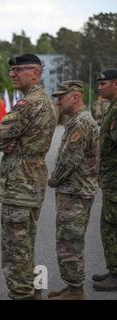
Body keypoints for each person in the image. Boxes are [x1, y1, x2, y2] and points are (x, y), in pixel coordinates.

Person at [0, 53, 57, 300]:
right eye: (12, 70)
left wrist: (8, 141)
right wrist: (11, 140)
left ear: (36, 73)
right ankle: (30, 292)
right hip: (32, 182)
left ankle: (23, 295)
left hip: (20, 184)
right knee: (26, 244)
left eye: (19, 70)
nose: (12, 74)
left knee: (15, 249)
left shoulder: (28, 104)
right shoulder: (46, 102)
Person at [47, 81, 99, 300]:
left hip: (76, 192)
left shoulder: (81, 122)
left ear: (76, 97)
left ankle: (76, 291)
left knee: (70, 241)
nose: (58, 101)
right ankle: (72, 286)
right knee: (69, 239)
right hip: (74, 191)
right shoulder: (78, 121)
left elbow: (70, 159)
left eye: (62, 96)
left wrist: (53, 180)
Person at [93, 69, 117, 291]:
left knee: (111, 227)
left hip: (115, 182)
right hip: (110, 181)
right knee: (109, 226)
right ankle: (113, 270)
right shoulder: (112, 107)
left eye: (104, 84)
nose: (99, 87)